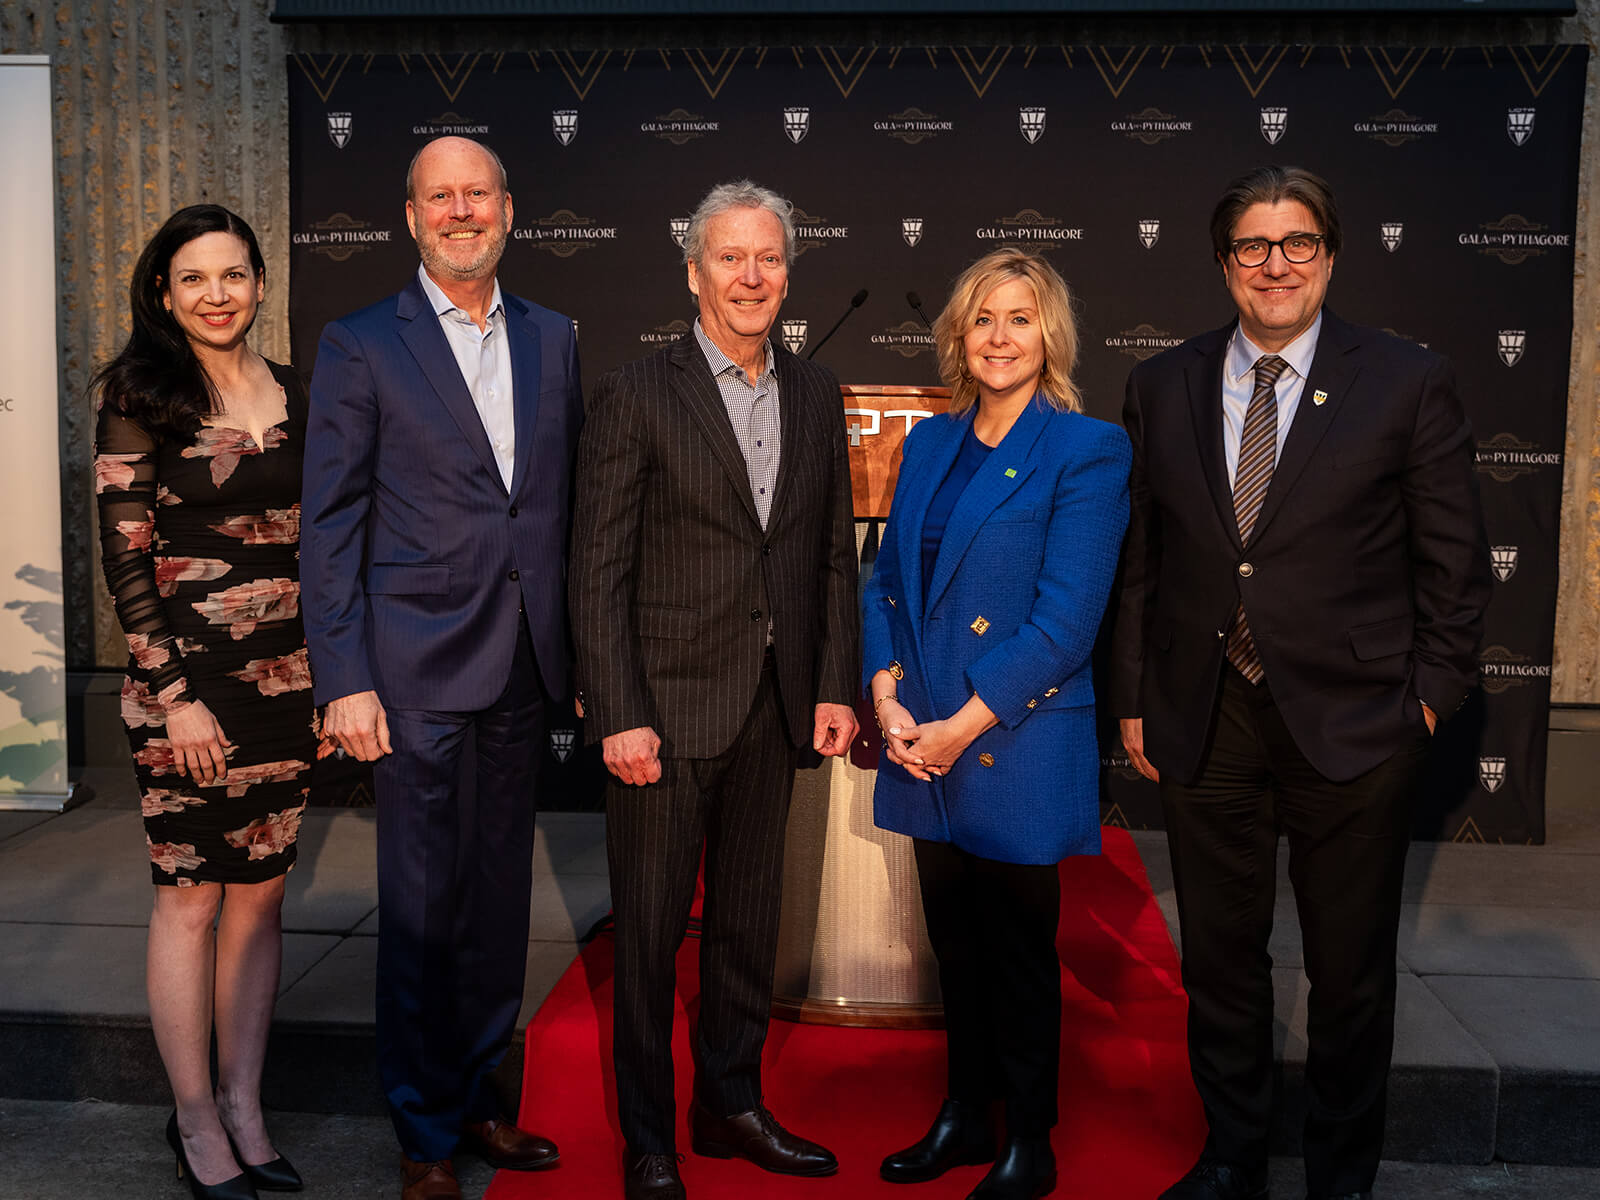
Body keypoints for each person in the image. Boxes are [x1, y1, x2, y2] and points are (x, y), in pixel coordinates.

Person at [1110, 165, 1490, 1200]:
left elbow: (1452, 568)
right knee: (1220, 964)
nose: (1274, 265)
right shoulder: (1161, 384)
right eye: (1251, 246)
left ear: (1328, 255)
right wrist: (1136, 697)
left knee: (1348, 974)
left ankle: (1339, 1175)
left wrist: (1422, 700)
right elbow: (1142, 559)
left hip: (1356, 722)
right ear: (1223, 262)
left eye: (1297, 244)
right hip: (1204, 715)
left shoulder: (1405, 380)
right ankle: (1233, 1157)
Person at [300, 136, 582, 1200]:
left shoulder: (554, 339)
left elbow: (555, 509)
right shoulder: (362, 344)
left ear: (509, 209)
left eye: (478, 194)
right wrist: (343, 679)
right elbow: (328, 527)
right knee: (420, 912)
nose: (462, 212)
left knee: (499, 902)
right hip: (409, 674)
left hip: (520, 666)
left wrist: (579, 651)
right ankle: (422, 1134)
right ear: (410, 217)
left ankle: (481, 1103)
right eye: (440, 197)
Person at [568, 179, 861, 1200]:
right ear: (692, 272)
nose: (749, 277)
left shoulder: (818, 394)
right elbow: (594, 569)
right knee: (647, 943)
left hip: (775, 708)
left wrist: (830, 684)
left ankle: (728, 1104)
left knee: (745, 931)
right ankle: (650, 1137)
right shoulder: (636, 394)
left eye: (767, 259)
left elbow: (830, 556)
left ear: (787, 271)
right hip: (663, 712)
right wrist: (619, 711)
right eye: (728, 259)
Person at [862, 248, 1131, 1200]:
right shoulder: (928, 444)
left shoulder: (1087, 448)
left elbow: (1067, 618)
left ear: (1048, 335)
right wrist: (887, 694)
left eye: (1020, 319)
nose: (1000, 338)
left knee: (1018, 950)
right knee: (956, 944)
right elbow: (886, 580)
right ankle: (965, 1115)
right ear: (959, 336)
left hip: (1013, 735)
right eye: (983, 319)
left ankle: (1032, 1139)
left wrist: (957, 724)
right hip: (920, 736)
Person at [94, 204, 310, 1199]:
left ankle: (245, 1105)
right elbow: (126, 563)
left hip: (286, 683)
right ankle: (192, 1122)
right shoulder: (139, 397)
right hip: (184, 692)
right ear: (163, 294)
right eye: (193, 279)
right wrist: (174, 696)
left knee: (261, 902)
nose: (215, 295)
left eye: (232, 275)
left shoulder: (303, 395)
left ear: (260, 283)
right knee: (189, 904)